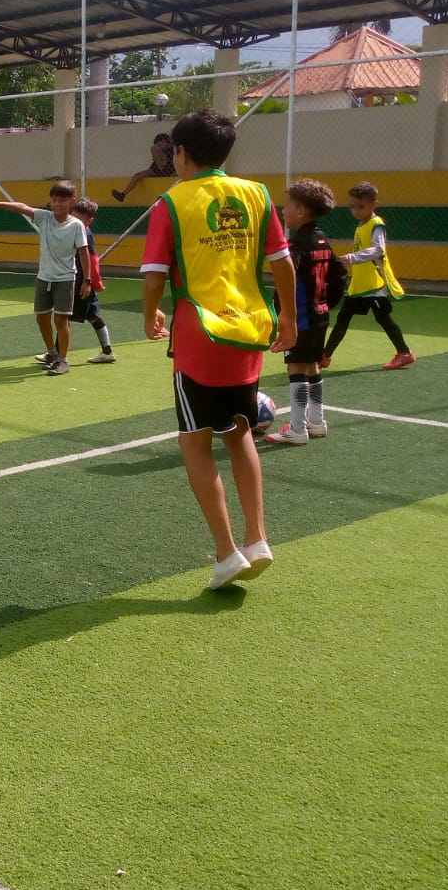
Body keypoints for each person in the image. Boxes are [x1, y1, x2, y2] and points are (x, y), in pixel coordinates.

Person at [140, 108, 296, 590]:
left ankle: (227, 553)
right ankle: (257, 538)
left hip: (200, 335)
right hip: (248, 332)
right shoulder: (257, 194)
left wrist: (150, 315)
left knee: (194, 441)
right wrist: (289, 318)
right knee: (240, 429)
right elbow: (282, 263)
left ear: (181, 153)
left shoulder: (171, 203)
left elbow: (154, 275)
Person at [265, 180, 349, 446]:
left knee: (296, 367)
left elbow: (286, 280)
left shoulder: (296, 246)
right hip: (319, 315)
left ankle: (297, 429)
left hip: (300, 317)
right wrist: (326, 302)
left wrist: (279, 313)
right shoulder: (322, 240)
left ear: (301, 211)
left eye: (288, 205)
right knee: (312, 365)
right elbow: (340, 274)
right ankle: (317, 422)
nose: (283, 210)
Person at [0, 181, 92, 377]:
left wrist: (87, 280)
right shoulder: (45, 217)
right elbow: (23, 208)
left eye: (62, 200)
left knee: (61, 320)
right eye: (54, 200)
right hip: (44, 277)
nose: (57, 204)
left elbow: (84, 253)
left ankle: (63, 360)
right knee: (41, 318)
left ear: (71, 202)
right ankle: (52, 353)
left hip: (65, 279)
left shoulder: (76, 225)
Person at [321, 181, 413, 371]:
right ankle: (325, 356)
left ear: (374, 205)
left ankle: (404, 353)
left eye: (361, 206)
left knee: (383, 319)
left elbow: (378, 250)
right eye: (352, 206)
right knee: (343, 318)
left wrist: (352, 258)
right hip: (360, 284)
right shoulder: (361, 225)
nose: (355, 211)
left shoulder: (376, 225)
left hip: (374, 284)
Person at [68, 198, 117, 364]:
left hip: (82, 282)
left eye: (79, 218)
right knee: (93, 316)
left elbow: (93, 259)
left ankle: (56, 354)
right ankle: (107, 351)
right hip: (81, 280)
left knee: (63, 315)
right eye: (73, 216)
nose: (75, 221)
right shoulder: (76, 231)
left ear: (89, 220)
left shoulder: (85, 234)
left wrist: (92, 282)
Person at [112, 132, 175, 203]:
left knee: (153, 148)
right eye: (158, 145)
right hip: (158, 170)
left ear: (163, 140)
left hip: (167, 167)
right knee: (137, 175)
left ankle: (161, 168)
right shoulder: (161, 150)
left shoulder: (172, 147)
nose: (159, 147)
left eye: (159, 145)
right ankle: (123, 194)